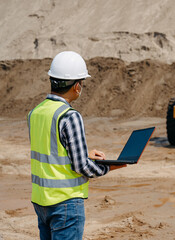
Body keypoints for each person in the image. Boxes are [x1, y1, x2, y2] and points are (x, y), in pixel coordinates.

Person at [27, 51, 125, 240]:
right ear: (77, 86)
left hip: (41, 201)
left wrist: (85, 153)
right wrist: (110, 166)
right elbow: (82, 167)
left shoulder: (35, 112)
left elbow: (51, 149)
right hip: (65, 203)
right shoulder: (70, 116)